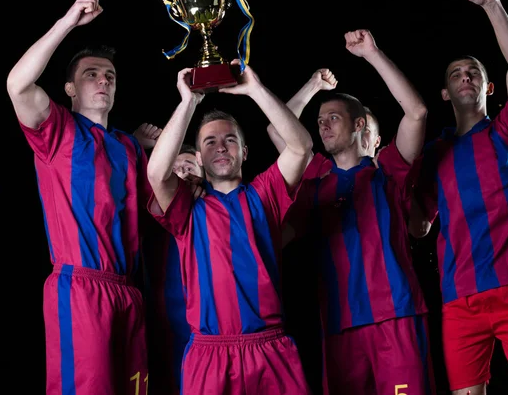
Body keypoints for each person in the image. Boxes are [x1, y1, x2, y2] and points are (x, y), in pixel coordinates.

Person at [269, 29, 434, 395]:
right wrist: (313, 86)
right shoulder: (315, 180)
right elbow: (275, 128)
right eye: (320, 120)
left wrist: (372, 54)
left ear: (360, 125)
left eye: (333, 118)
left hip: (395, 317)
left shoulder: (388, 170)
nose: (323, 124)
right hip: (339, 325)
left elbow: (417, 112)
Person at [6, 0, 150, 395]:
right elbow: (17, 85)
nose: (103, 80)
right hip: (81, 290)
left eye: (109, 75)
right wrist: (68, 22)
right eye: (91, 74)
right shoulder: (58, 131)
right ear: (70, 88)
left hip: (129, 292)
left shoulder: (128, 146)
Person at [146, 60, 314, 394]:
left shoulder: (265, 194)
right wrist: (188, 102)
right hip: (209, 352)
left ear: (246, 152)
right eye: (209, 142)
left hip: (269, 347)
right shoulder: (186, 207)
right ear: (198, 158)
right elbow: (156, 173)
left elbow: (301, 147)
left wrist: (255, 89)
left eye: (230, 140)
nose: (220, 146)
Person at [409, 0, 508, 395]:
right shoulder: (433, 154)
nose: (465, 76)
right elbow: (419, 226)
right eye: (456, 73)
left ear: (488, 86)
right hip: (461, 299)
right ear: (445, 92)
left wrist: (492, 6)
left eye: (474, 72)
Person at [142, 143, 203, 395]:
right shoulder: (151, 213)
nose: (181, 174)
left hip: (203, 326)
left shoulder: (213, 207)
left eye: (188, 168)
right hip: (160, 321)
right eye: (174, 169)